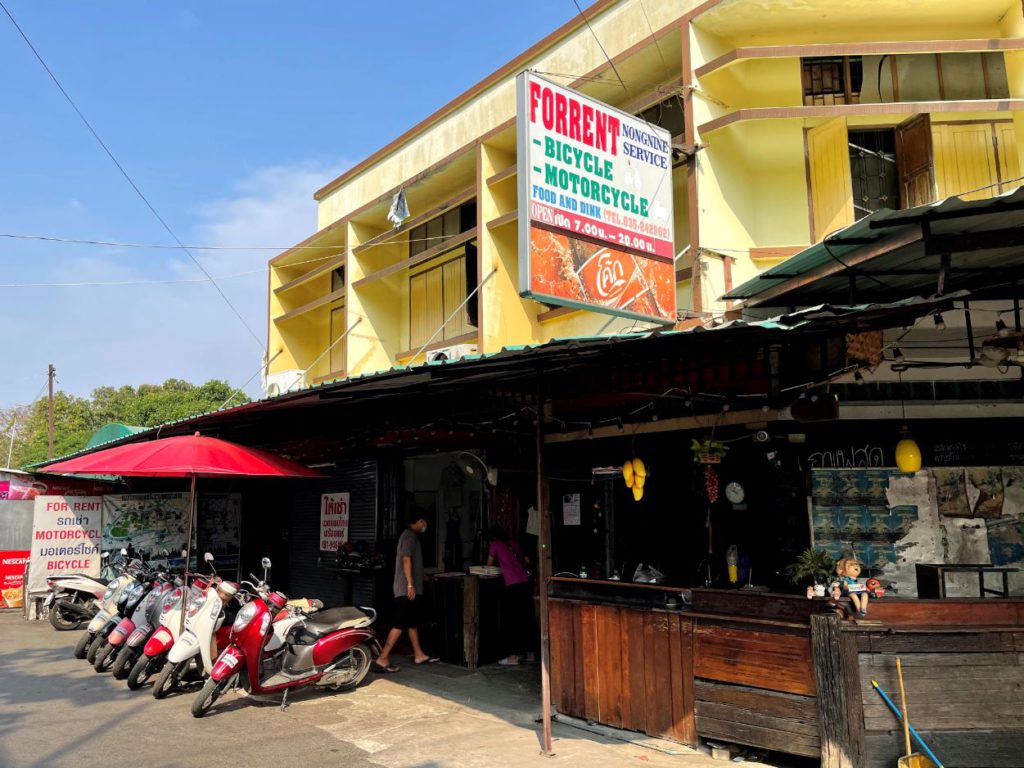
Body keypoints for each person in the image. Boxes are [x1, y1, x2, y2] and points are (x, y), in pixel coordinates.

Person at [375, 510, 438, 672]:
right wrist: (410, 585)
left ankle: (419, 654)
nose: (425, 525)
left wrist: (421, 577)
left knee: (412, 622)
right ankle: (383, 658)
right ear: (418, 521)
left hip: (409, 588)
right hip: (406, 590)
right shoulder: (409, 536)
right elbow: (406, 559)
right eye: (424, 522)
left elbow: (411, 563)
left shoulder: (409, 536)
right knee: (400, 623)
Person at [487, 525, 536, 666]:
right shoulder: (513, 543)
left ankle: (512, 656)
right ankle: (530, 653)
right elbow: (527, 561)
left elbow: (488, 566)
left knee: (512, 620)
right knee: (526, 618)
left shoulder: (495, 544)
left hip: (513, 584)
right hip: (525, 583)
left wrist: (501, 567)